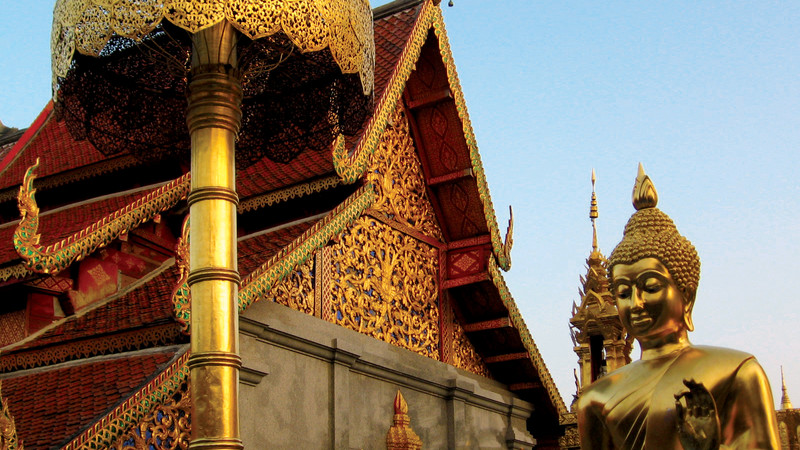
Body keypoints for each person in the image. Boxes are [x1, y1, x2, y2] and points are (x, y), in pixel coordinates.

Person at [576, 165, 780, 449]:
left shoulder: (737, 373)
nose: (635, 303)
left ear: (687, 295)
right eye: (623, 292)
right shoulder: (595, 399)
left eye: (650, 286)